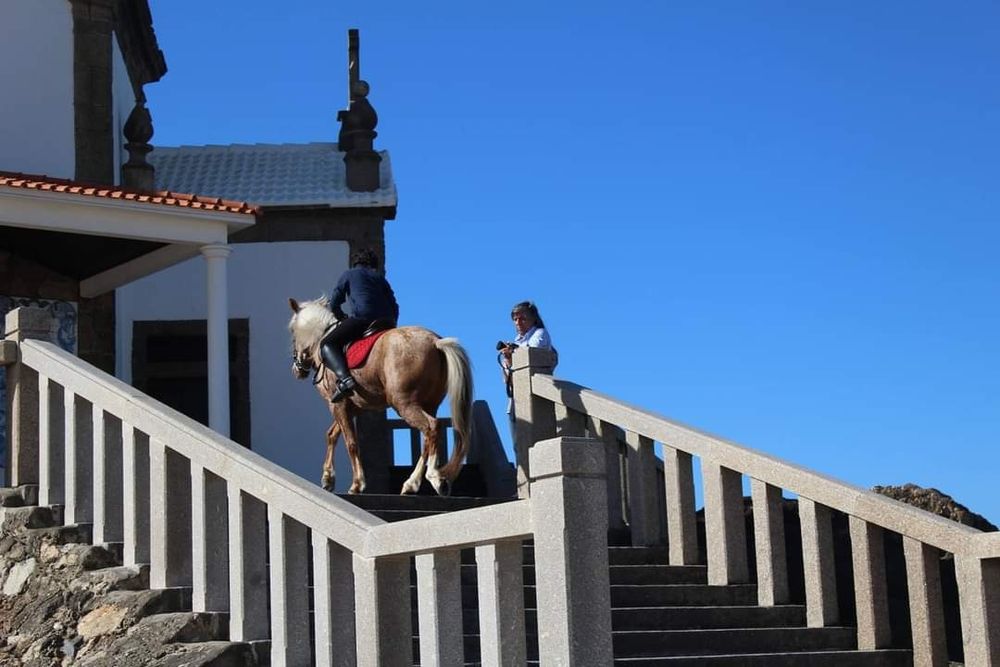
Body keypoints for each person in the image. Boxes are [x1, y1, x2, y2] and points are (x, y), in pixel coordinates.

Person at [320, 249, 399, 403]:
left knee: (327, 344)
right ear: (373, 264)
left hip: (364, 319)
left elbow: (334, 303)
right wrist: (392, 323)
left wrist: (341, 317)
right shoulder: (379, 277)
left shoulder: (349, 274)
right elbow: (394, 305)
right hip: (387, 322)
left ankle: (345, 380)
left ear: (355, 262)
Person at [499, 301, 557, 407]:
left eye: (522, 318)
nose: (518, 322)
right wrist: (508, 359)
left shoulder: (540, 333)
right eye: (515, 319)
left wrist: (514, 352)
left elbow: (531, 353)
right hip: (517, 401)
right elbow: (508, 380)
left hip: (538, 397)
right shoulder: (517, 342)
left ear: (533, 319)